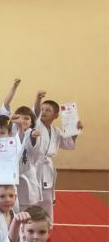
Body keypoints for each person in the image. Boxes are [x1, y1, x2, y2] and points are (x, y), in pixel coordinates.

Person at [34, 92, 82, 222]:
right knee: (32, 197)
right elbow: (36, 112)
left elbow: (68, 144)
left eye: (48, 110)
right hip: (34, 166)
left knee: (47, 198)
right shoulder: (36, 124)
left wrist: (75, 131)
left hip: (47, 168)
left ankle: (47, 224)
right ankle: (28, 225)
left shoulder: (56, 131)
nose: (44, 112)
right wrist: (38, 99)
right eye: (42, 109)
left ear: (55, 116)